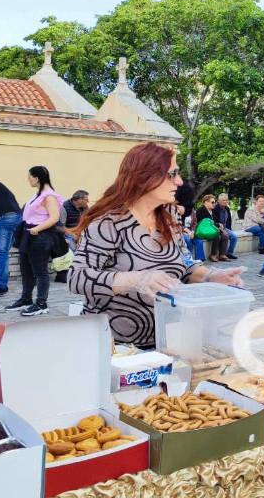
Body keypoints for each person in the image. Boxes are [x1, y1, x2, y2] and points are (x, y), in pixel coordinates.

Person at [68, 142, 244, 348]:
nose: (179, 181)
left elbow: (183, 264)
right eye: (172, 174)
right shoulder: (108, 223)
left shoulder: (167, 215)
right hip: (115, 347)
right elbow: (77, 278)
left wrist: (211, 276)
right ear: (145, 177)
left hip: (165, 341)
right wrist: (136, 279)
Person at [6, 166, 63, 317]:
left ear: (37, 178)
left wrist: (38, 229)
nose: (28, 180)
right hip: (28, 234)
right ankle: (26, 299)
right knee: (26, 269)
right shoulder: (38, 195)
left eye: (30, 177)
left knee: (40, 272)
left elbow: (54, 217)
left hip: (40, 236)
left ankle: (41, 303)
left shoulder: (49, 196)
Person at [55, 190, 90, 283]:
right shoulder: (64, 208)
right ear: (78, 200)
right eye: (86, 199)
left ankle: (85, 272)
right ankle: (73, 274)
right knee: (73, 248)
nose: (88, 201)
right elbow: (60, 227)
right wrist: (73, 235)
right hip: (66, 235)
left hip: (79, 234)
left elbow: (87, 223)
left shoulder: (85, 208)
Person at [195, 195, 229, 263]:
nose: (214, 204)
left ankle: (222, 254)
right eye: (212, 202)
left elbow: (216, 221)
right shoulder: (201, 210)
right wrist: (218, 225)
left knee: (225, 236)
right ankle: (213, 255)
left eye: (215, 202)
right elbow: (207, 223)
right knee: (217, 235)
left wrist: (219, 224)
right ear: (206, 202)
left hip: (211, 229)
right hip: (204, 231)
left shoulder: (212, 211)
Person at [214, 194, 239, 261]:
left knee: (234, 236)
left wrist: (229, 229)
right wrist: (220, 228)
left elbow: (229, 220)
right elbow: (215, 220)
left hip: (225, 227)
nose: (225, 201)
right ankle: (222, 254)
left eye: (226, 200)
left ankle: (229, 253)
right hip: (218, 227)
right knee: (225, 236)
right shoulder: (215, 209)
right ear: (219, 201)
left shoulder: (227, 208)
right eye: (223, 200)